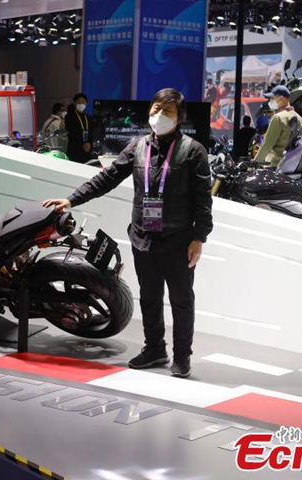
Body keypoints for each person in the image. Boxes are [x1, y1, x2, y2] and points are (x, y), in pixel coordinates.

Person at [43, 88, 213, 378]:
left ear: (180, 118)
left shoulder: (192, 151)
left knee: (181, 299)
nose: (159, 116)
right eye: (156, 109)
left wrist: (199, 237)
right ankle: (155, 348)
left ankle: (182, 356)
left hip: (179, 241)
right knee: (149, 296)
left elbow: (203, 200)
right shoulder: (137, 147)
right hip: (143, 238)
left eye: (167, 112)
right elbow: (107, 177)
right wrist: (72, 199)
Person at [254, 85, 302, 167]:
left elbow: (267, 145)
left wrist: (254, 163)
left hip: (274, 165)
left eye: (272, 98)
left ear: (281, 98)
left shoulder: (278, 118)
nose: (270, 101)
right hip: (290, 165)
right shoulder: (299, 118)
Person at [65, 93, 95, 163]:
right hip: (75, 150)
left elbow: (91, 133)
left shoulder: (88, 118)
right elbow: (72, 133)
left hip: (87, 151)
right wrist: (82, 144)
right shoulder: (70, 117)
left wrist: (89, 144)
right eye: (79, 102)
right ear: (75, 103)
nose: (81, 104)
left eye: (83, 102)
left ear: (86, 104)